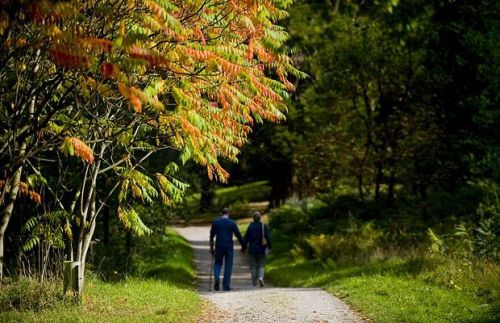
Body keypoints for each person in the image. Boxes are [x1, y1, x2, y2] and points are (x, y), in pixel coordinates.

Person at [210, 207, 244, 291]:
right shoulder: (232, 223)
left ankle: (217, 278)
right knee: (228, 266)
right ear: (229, 214)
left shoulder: (216, 222)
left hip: (219, 246)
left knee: (217, 263)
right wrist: (243, 245)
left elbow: (211, 236)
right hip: (229, 247)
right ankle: (226, 286)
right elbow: (238, 235)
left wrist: (211, 247)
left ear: (221, 213)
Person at [243, 211, 272, 287]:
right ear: (260, 218)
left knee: (253, 266)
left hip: (252, 249)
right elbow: (268, 238)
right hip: (262, 249)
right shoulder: (263, 226)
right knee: (261, 265)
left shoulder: (250, 226)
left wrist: (244, 247)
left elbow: (246, 238)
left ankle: (254, 283)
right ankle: (261, 277)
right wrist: (269, 247)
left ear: (253, 218)